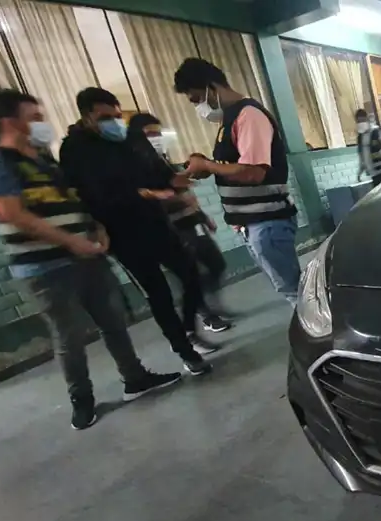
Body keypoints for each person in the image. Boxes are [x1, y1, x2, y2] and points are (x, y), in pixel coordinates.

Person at [0, 89, 182, 430]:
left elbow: (75, 202)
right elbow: (10, 212)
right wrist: (70, 241)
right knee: (69, 336)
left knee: (114, 323)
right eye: (35, 118)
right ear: (9, 122)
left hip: (88, 257)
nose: (43, 123)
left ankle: (134, 378)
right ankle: (81, 399)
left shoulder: (45, 160)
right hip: (46, 269)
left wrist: (96, 229)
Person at [59, 87, 214, 376]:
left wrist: (182, 177)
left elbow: (158, 171)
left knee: (192, 273)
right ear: (88, 116)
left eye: (117, 115)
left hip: (156, 224)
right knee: (158, 293)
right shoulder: (74, 150)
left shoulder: (128, 138)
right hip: (122, 234)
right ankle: (185, 350)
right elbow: (88, 195)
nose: (114, 122)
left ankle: (188, 329)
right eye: (106, 117)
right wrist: (142, 195)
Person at [173, 58, 301, 307]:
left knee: (294, 290)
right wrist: (206, 164)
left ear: (211, 86)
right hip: (254, 224)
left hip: (268, 222)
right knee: (289, 288)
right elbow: (234, 166)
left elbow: (254, 173)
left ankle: (321, 336)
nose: (199, 107)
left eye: (197, 98)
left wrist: (209, 166)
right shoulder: (229, 120)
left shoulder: (249, 115)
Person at [127, 113, 232, 333]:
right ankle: (205, 316)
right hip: (172, 228)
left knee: (216, 264)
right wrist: (165, 195)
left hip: (190, 222)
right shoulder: (136, 165)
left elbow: (182, 190)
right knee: (190, 275)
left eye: (158, 132)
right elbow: (145, 195)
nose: (156, 137)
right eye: (150, 134)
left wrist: (201, 215)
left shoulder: (161, 158)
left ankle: (211, 304)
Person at [354, 109, 381, 187]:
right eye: (359, 122)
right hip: (373, 173)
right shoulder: (360, 137)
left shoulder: (376, 131)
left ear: (367, 119)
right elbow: (362, 156)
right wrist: (360, 171)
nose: (361, 123)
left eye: (362, 120)